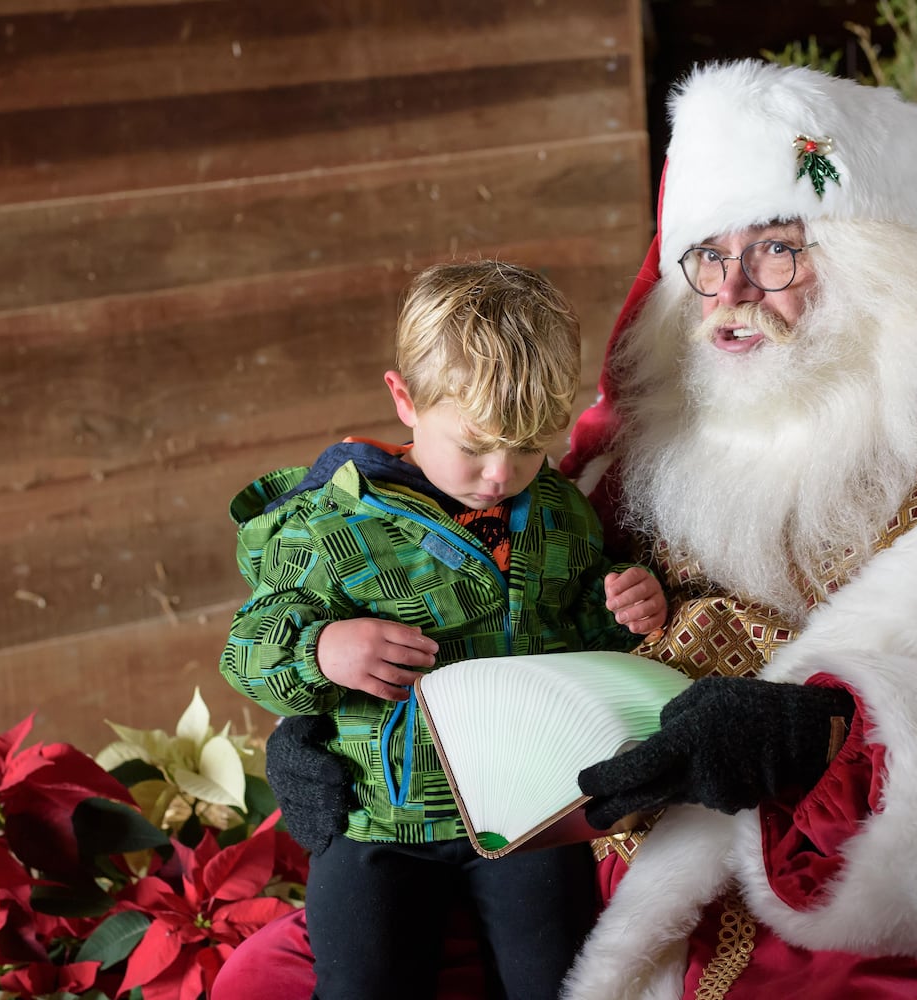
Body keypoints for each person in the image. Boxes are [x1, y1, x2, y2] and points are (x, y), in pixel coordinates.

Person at [215, 59, 917, 999]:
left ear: (875, 267)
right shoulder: (645, 426)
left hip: (824, 918)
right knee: (270, 978)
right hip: (572, 856)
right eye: (705, 259)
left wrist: (819, 744)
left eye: (777, 251)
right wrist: (321, 718)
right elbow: (445, 587)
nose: (731, 299)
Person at [219, 259, 667, 1000]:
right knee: (365, 984)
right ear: (405, 400)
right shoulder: (328, 525)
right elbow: (248, 649)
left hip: (525, 812)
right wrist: (323, 651)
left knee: (563, 981)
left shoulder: (556, 513)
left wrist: (622, 608)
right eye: (477, 445)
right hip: (379, 822)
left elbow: (578, 632)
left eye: (528, 447)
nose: (501, 473)